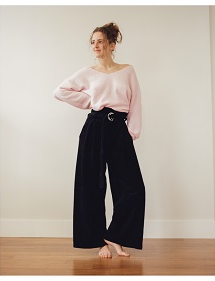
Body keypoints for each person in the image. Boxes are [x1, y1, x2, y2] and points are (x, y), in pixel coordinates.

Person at [53, 22, 145, 258]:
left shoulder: (127, 70)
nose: (95, 45)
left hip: (119, 129)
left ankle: (115, 235)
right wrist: (90, 101)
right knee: (91, 185)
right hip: (95, 127)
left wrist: (132, 132)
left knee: (133, 188)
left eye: (100, 41)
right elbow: (60, 91)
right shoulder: (87, 72)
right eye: (93, 41)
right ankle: (97, 241)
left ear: (112, 45)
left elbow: (135, 102)